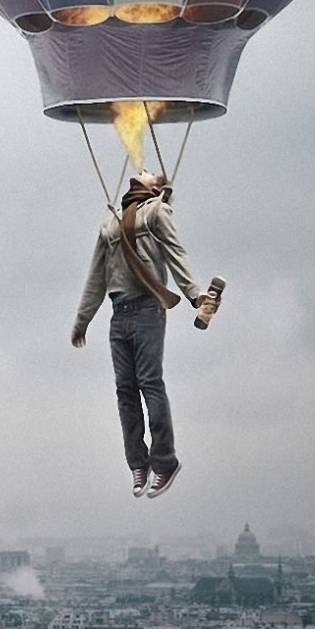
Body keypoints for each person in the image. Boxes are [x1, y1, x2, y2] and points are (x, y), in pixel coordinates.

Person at [71, 170, 207, 499]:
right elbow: (96, 275)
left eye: (150, 173)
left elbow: (177, 253)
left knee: (150, 384)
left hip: (148, 309)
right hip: (119, 315)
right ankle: (138, 462)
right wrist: (83, 318)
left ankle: (164, 463)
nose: (143, 169)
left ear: (154, 186)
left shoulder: (157, 211)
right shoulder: (111, 220)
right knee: (125, 392)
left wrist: (195, 295)